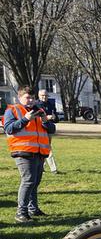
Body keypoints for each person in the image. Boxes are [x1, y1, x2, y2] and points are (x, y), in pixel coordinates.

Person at [3, 85, 56, 223]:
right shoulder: (12, 110)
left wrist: (45, 120)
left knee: (35, 182)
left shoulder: (39, 110)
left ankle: (33, 209)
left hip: (39, 152)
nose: (31, 100)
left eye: (33, 98)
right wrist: (25, 119)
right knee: (28, 180)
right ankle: (21, 213)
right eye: (28, 97)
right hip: (23, 151)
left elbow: (52, 129)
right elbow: (8, 128)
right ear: (19, 97)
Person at [38, 89, 59, 174]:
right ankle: (53, 169)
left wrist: (54, 117)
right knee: (47, 149)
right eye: (42, 95)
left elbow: (56, 118)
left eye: (46, 95)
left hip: (49, 128)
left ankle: (41, 168)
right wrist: (46, 117)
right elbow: (35, 118)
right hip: (40, 129)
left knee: (45, 148)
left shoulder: (51, 104)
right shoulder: (36, 105)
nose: (44, 97)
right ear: (39, 96)